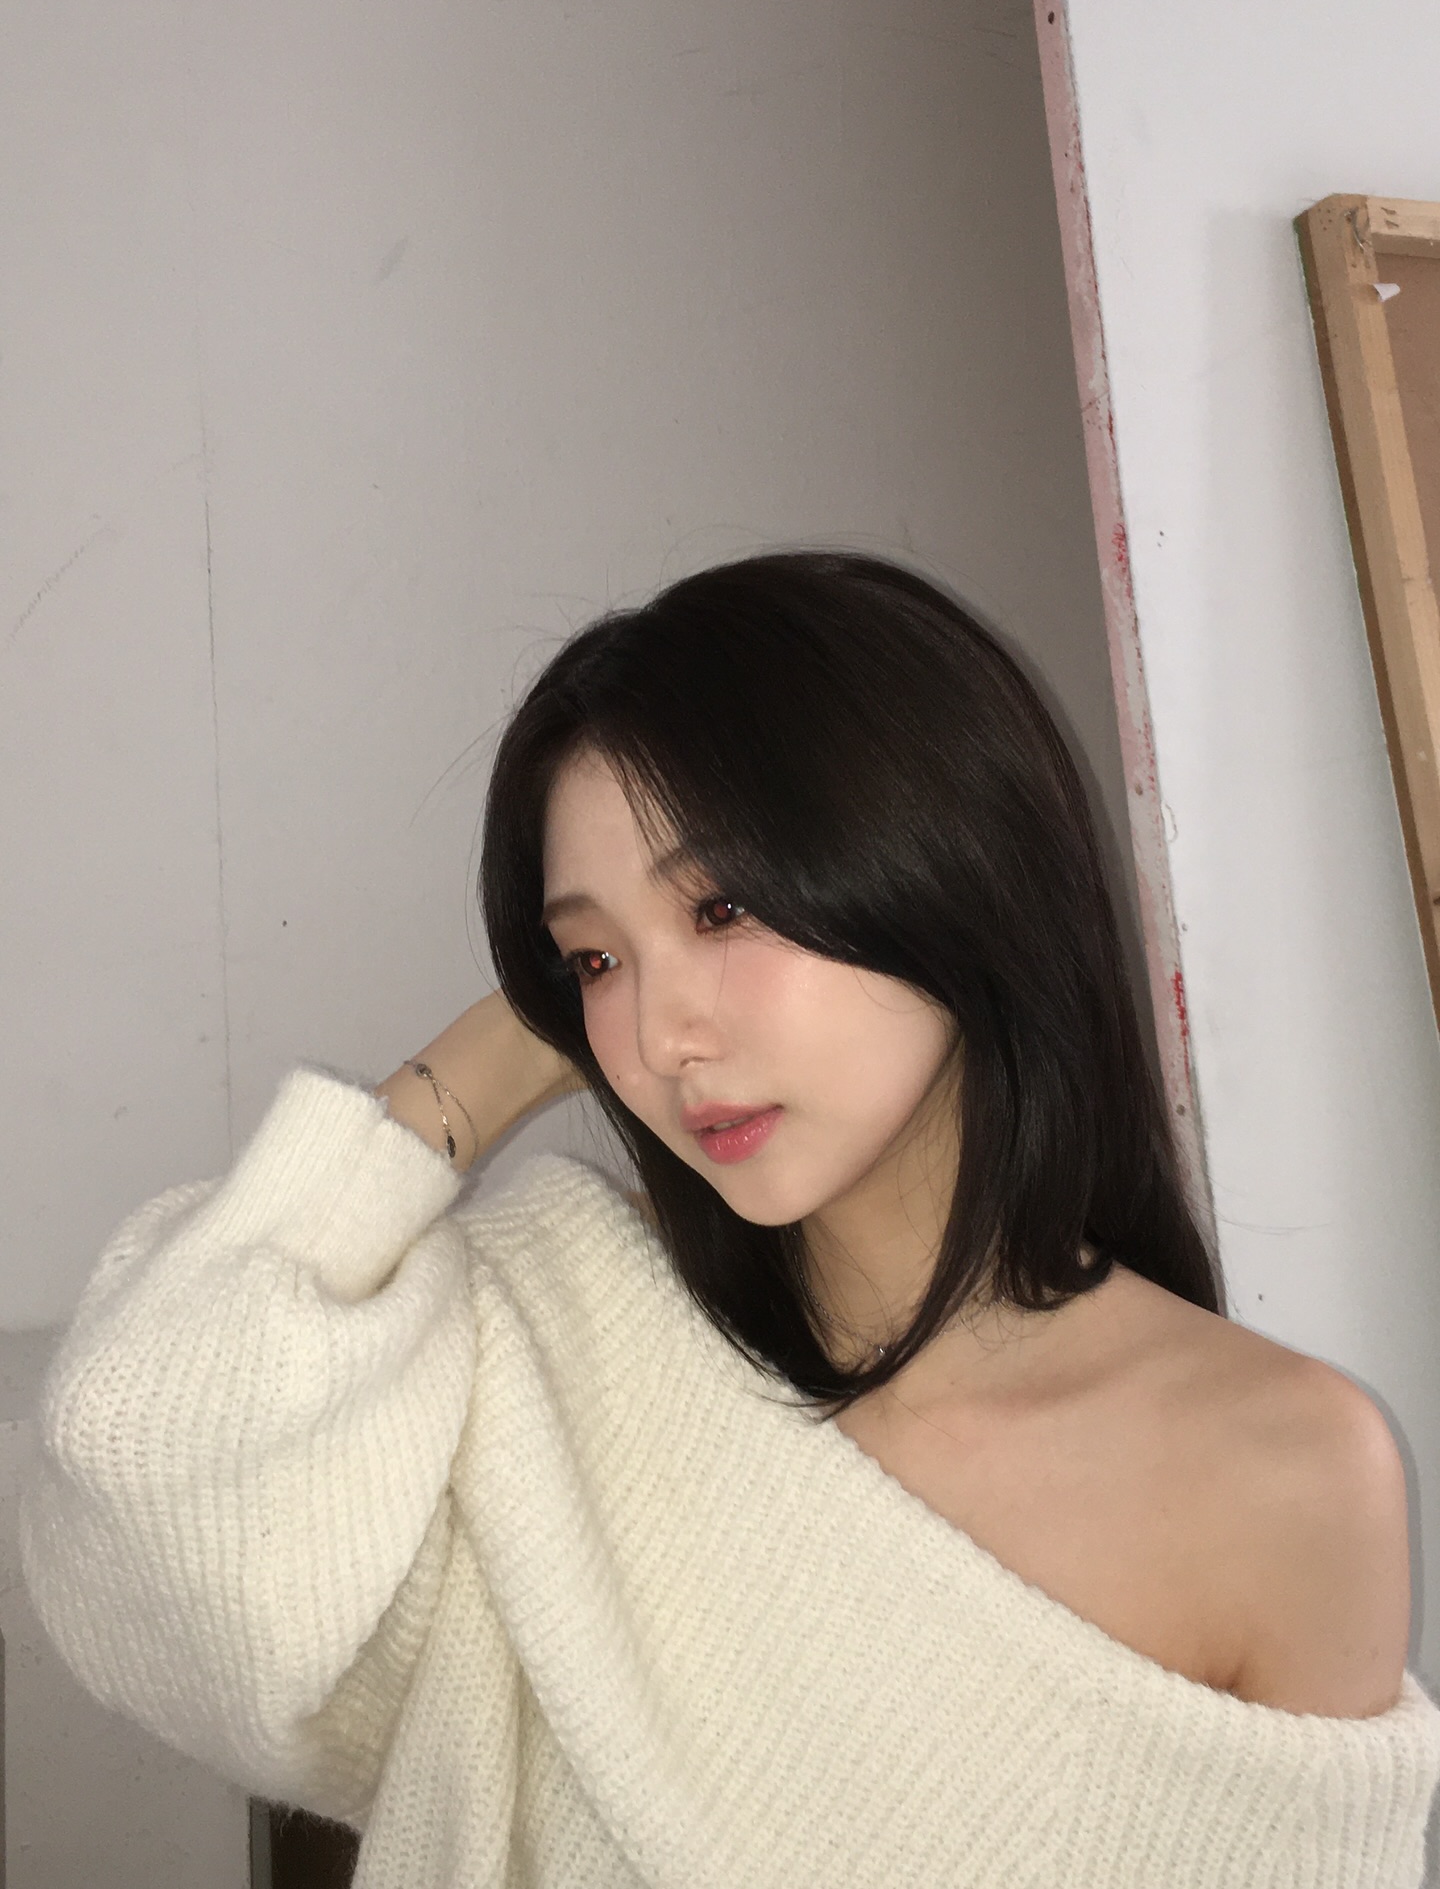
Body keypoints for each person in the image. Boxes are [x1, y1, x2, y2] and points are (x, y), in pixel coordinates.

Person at [20, 550, 1440, 1887]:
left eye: (722, 909)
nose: (659, 1036)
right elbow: (138, 1471)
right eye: (594, 958)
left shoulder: (1288, 1472)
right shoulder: (557, 1338)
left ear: (954, 867)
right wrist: (502, 1055)